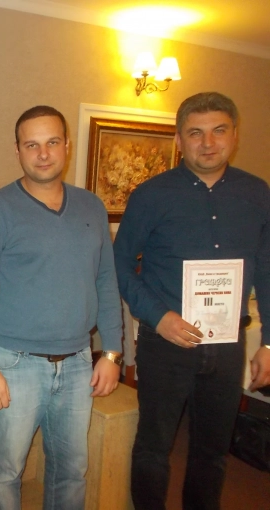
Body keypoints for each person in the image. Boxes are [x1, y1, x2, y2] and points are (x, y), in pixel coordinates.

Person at [114, 92, 270, 510]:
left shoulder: (258, 194)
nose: (208, 142)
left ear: (234, 135)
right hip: (166, 342)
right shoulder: (151, 195)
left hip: (228, 344)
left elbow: (268, 271)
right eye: (196, 133)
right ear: (179, 140)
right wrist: (158, 317)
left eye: (219, 130)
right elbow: (119, 264)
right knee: (153, 448)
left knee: (212, 452)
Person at [0, 105, 124, 510]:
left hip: (78, 362)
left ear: (67, 145)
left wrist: (111, 352)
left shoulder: (91, 206)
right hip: (15, 363)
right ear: (17, 150)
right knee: (5, 474)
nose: (43, 154)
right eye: (31, 145)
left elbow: (106, 280)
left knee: (71, 471)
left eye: (52, 142)